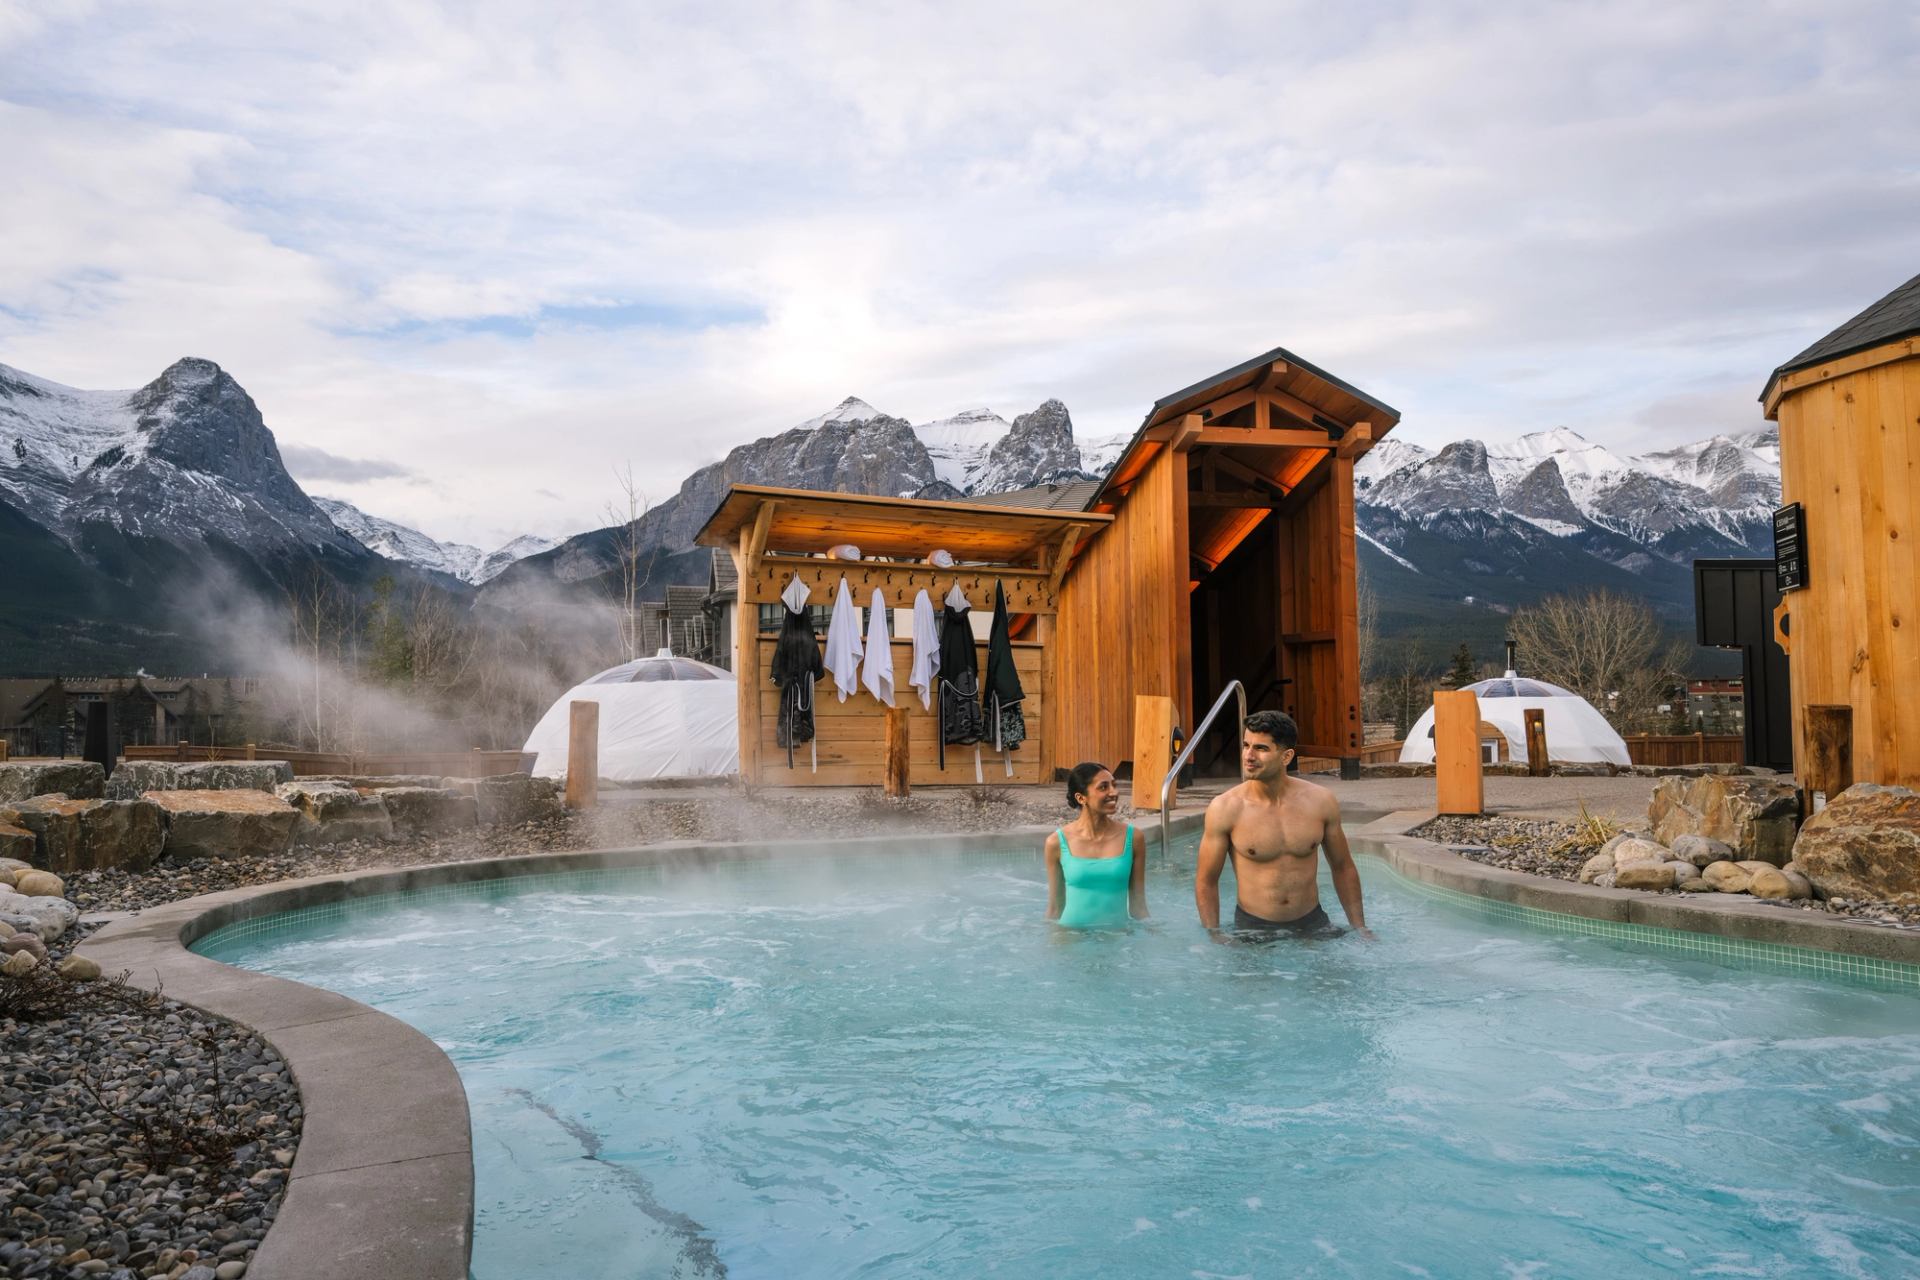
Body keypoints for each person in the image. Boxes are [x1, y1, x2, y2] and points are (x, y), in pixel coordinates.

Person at [1194, 710, 1372, 940]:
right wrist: (1214, 935)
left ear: (1286, 757)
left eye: (1261, 748)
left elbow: (1343, 867)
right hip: (1253, 928)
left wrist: (1360, 928)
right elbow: (1206, 880)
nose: (1248, 755)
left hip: (1313, 923)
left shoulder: (1320, 802)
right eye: (1246, 745)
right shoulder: (1226, 808)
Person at [1044, 762, 1148, 928]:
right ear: (1081, 797)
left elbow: (1138, 906)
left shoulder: (1133, 838)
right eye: (1103, 787)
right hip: (1071, 938)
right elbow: (1055, 908)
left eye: (1114, 785)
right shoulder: (1056, 842)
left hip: (1116, 938)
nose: (1114, 793)